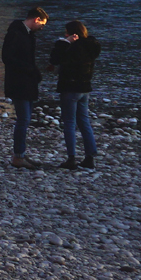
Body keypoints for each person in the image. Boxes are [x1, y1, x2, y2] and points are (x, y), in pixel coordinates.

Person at [48, 18, 101, 170]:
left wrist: (64, 42)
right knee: (84, 122)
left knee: (70, 123)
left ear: (72, 34)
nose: (64, 35)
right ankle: (90, 158)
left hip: (70, 87)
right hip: (85, 88)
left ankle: (71, 158)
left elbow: (55, 58)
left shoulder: (71, 47)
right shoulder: (91, 46)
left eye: (66, 33)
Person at [1, 5, 49, 169]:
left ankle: (20, 154)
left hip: (25, 82)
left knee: (25, 119)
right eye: (42, 24)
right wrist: (30, 70)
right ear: (36, 19)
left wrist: (33, 72)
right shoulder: (16, 34)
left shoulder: (26, 34)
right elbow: (7, 57)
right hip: (19, 83)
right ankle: (19, 156)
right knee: (23, 119)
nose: (42, 28)